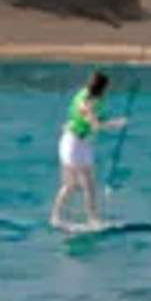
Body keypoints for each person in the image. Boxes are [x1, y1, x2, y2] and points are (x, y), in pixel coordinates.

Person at [51, 71, 122, 229]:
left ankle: (57, 217)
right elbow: (95, 125)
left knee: (76, 185)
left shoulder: (83, 94)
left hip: (78, 142)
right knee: (80, 184)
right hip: (74, 144)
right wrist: (115, 124)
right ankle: (91, 220)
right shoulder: (87, 103)